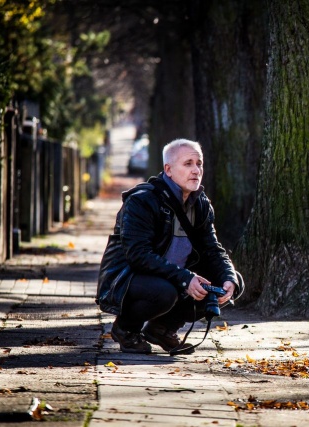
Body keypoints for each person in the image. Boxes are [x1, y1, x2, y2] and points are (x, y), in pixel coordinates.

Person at [97, 138, 243, 354]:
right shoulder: (143, 201)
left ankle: (162, 330)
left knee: (229, 283)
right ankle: (126, 329)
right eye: (188, 164)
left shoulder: (200, 203)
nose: (196, 170)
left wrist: (229, 277)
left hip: (173, 276)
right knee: (165, 292)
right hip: (128, 277)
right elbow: (137, 255)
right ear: (169, 169)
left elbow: (212, 249)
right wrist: (185, 278)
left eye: (199, 163)